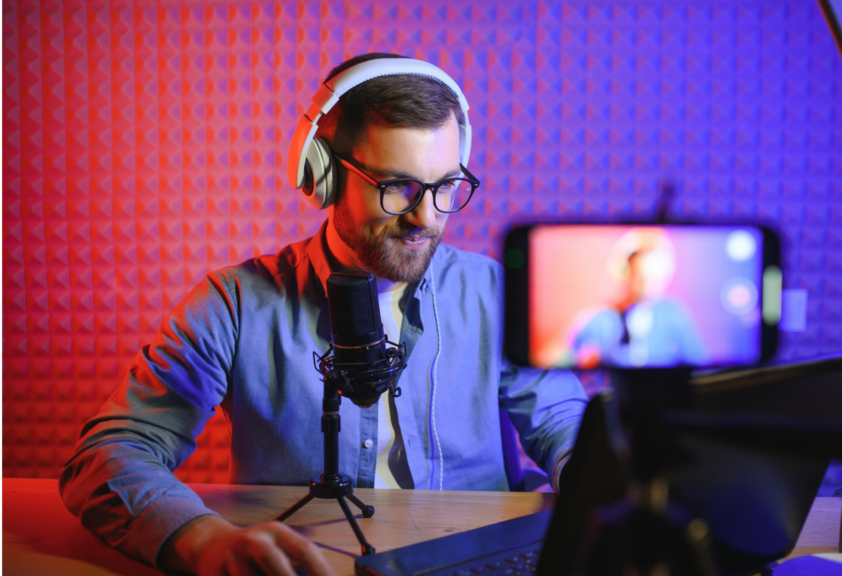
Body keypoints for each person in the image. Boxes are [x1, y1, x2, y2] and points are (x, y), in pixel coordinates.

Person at [59, 53, 588, 576]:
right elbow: (111, 453)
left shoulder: (495, 292)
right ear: (325, 176)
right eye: (396, 186)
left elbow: (565, 424)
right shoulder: (235, 303)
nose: (425, 217)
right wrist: (199, 541)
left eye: (446, 185)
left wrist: (597, 478)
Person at [569, 248, 708, 368]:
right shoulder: (603, 319)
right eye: (639, 276)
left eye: (651, 277)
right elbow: (567, 356)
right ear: (626, 274)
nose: (645, 285)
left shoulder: (673, 315)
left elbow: (698, 363)